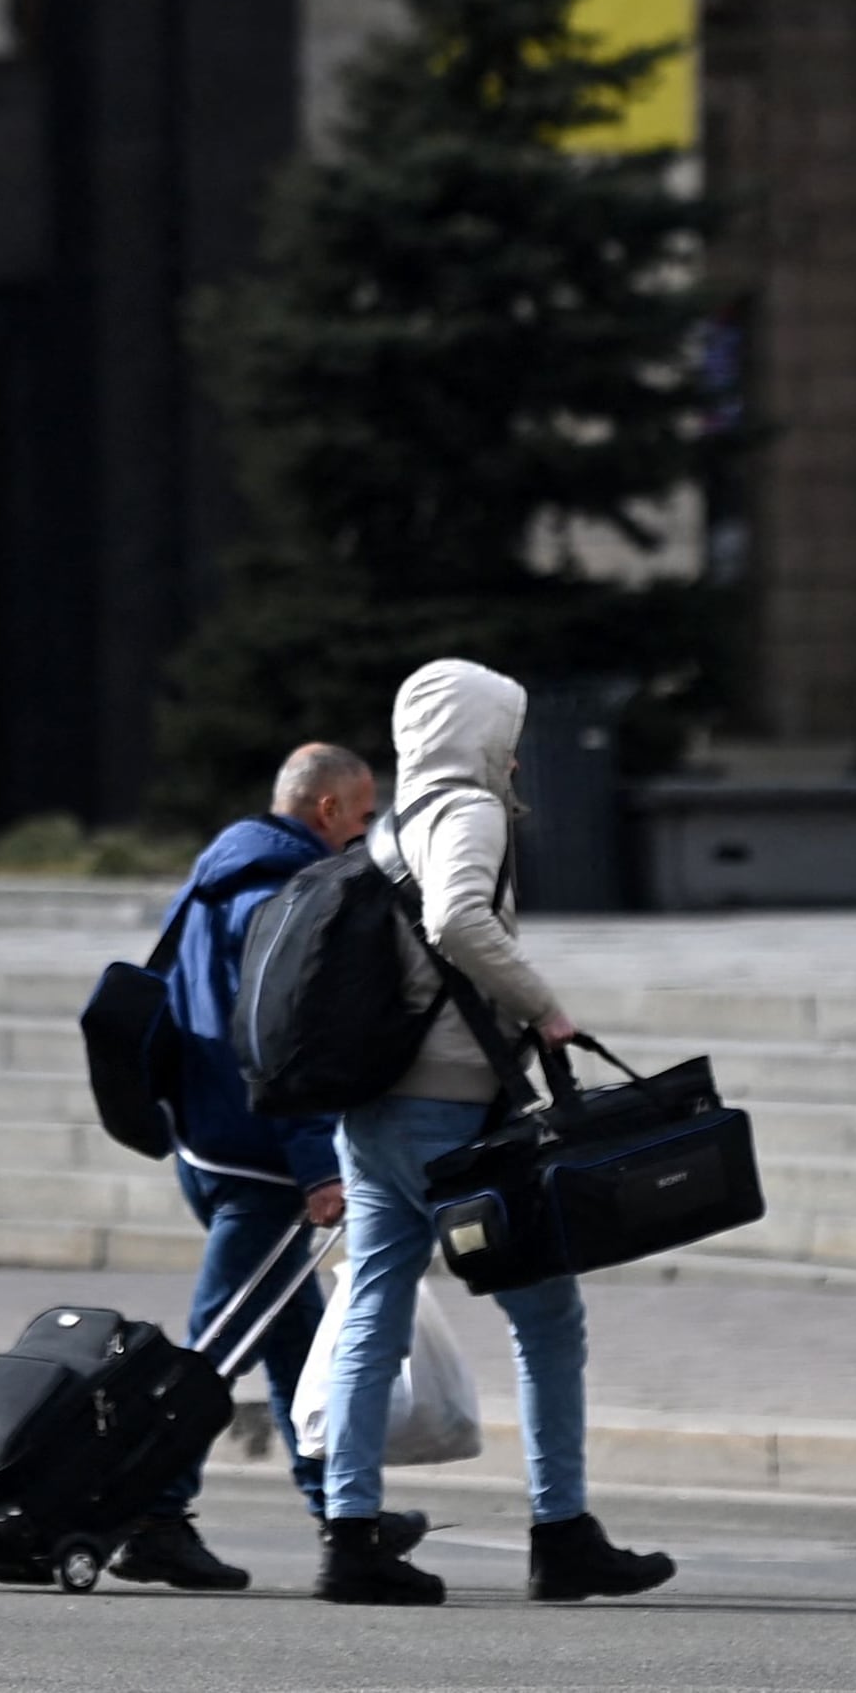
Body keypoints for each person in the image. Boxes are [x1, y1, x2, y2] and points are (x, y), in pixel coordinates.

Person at [308, 658, 672, 1610]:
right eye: (505, 733)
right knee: (549, 1317)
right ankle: (562, 1533)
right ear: (478, 734)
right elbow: (460, 917)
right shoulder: (467, 813)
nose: (514, 754)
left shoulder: (392, 822)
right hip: (452, 1113)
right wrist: (546, 1009)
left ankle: (351, 1536)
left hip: (377, 1111)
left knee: (371, 1313)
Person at [115, 743, 410, 1593]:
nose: (365, 833)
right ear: (326, 811)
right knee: (212, 1354)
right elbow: (285, 1043)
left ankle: (340, 1509)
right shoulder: (282, 894)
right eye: (360, 817)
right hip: (261, 1159)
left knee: (291, 1342)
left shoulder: (218, 873)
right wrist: (319, 1162)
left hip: (209, 1141)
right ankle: (152, 1518)